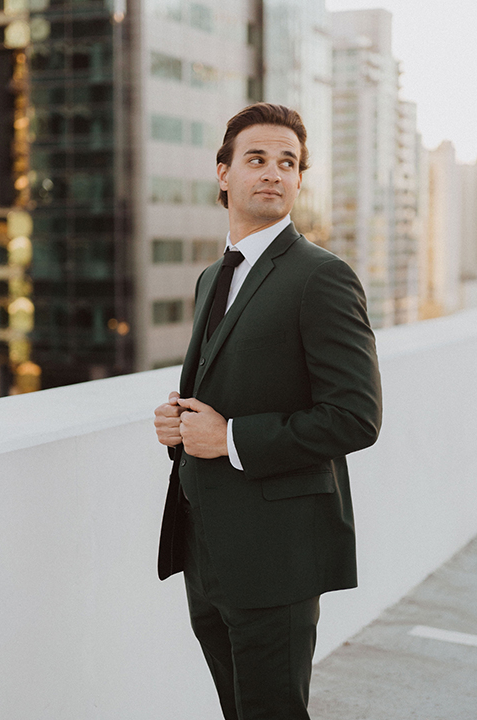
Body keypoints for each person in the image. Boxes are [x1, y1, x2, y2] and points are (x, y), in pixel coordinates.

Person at [154, 102, 382, 720]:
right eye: (257, 159)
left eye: (289, 162)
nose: (275, 173)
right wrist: (179, 423)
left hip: (277, 557)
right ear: (224, 173)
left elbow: (356, 416)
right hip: (206, 547)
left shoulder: (321, 277)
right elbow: (232, 381)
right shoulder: (211, 278)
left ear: (300, 179)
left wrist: (230, 439)